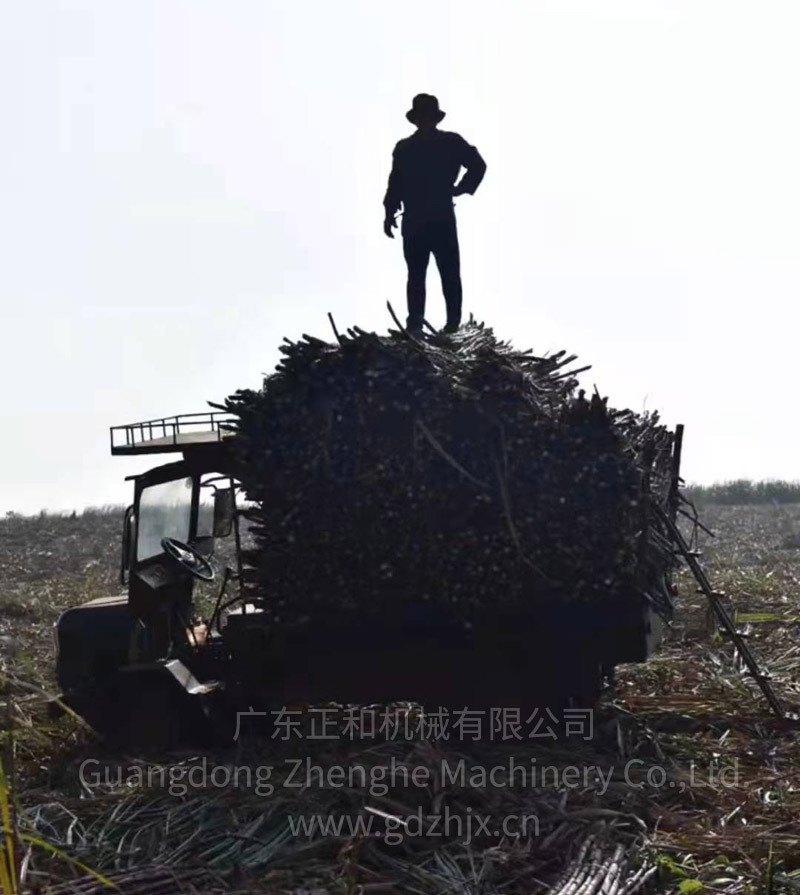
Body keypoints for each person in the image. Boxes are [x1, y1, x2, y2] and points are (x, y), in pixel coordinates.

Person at [383, 94, 486, 334]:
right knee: (417, 274)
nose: (425, 121)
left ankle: (451, 325)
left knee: (448, 272)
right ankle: (416, 324)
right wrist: (389, 212)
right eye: (423, 117)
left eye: (428, 117)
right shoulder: (404, 148)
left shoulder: (450, 142)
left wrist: (461, 189)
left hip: (438, 217)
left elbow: (478, 165)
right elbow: (395, 182)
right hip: (418, 218)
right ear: (417, 119)